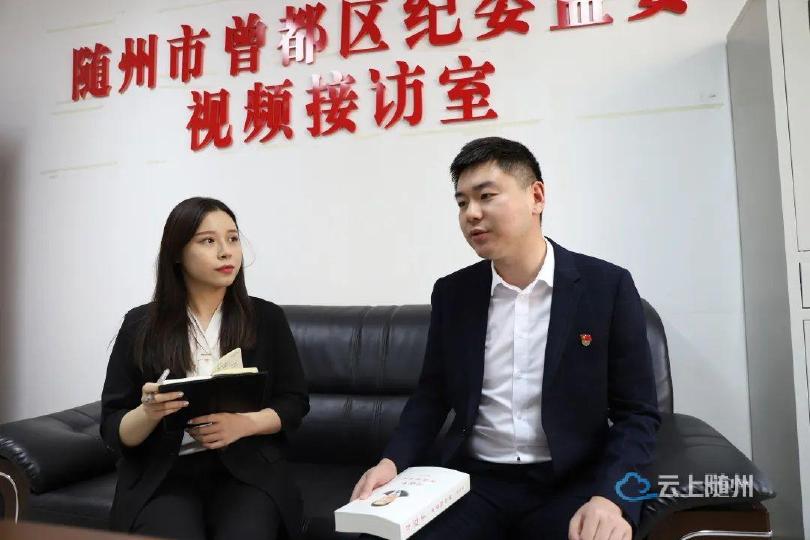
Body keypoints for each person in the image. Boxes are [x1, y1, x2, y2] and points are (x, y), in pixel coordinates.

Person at [350, 138, 660, 540]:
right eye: (462, 202)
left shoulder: (607, 287)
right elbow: (431, 395)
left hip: (573, 482)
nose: (471, 214)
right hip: (474, 483)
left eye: (486, 196)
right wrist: (391, 462)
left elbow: (637, 414)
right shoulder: (453, 293)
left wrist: (613, 497)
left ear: (536, 197)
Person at [101, 197, 309, 540]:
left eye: (233, 238)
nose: (226, 252)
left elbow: (294, 402)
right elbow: (113, 428)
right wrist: (148, 413)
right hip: (165, 473)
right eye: (208, 241)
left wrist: (243, 424)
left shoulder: (267, 318)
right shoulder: (140, 325)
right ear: (177, 253)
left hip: (245, 469)